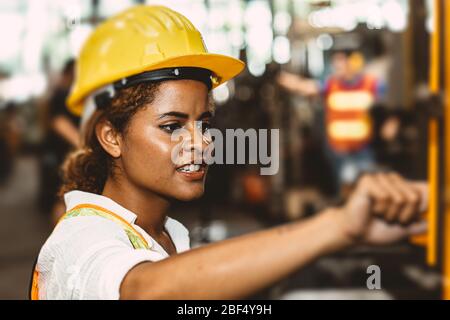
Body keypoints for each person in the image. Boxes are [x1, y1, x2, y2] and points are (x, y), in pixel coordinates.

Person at [31, 5, 428, 300]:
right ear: (111, 136)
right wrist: (338, 226)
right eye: (171, 126)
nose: (201, 143)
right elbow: (144, 291)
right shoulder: (79, 240)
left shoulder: (167, 234)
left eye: (204, 123)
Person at [278, 51, 385, 195]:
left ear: (351, 63)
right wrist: (289, 81)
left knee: (370, 188)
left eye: (340, 63)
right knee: (346, 190)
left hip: (362, 148)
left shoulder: (369, 84)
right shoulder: (331, 84)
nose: (337, 68)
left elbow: (390, 99)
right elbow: (309, 88)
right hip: (339, 150)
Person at [39, 59, 80, 222]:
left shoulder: (65, 93)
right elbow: (59, 123)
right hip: (61, 154)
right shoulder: (62, 94)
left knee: (66, 197)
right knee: (63, 198)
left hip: (64, 153)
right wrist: (84, 144)